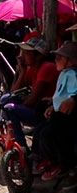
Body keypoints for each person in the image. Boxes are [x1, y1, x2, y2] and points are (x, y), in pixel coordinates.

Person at [2, 36, 59, 148]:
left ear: (38, 56)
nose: (22, 56)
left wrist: (18, 109)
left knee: (10, 107)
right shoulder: (31, 68)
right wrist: (22, 71)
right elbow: (13, 91)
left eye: (26, 53)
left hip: (45, 111)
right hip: (37, 107)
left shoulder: (47, 68)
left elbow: (32, 100)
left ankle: (21, 145)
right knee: (6, 99)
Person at [33, 41, 77, 180]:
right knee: (40, 128)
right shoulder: (64, 73)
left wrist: (72, 100)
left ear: (70, 61)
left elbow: (71, 96)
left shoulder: (73, 75)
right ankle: (46, 157)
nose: (56, 60)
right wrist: (53, 105)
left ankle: (63, 163)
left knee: (49, 132)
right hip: (60, 113)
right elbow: (60, 95)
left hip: (70, 116)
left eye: (60, 57)